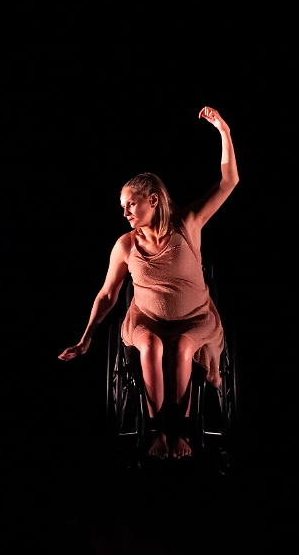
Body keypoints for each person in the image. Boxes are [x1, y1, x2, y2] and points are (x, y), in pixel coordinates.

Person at [58, 107, 239, 460]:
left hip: (194, 318)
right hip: (146, 320)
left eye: (131, 204)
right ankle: (157, 433)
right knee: (152, 345)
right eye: (123, 206)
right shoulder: (125, 245)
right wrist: (86, 338)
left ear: (153, 200)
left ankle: (180, 432)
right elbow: (108, 294)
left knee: (183, 346)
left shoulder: (188, 224)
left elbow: (228, 182)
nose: (125, 212)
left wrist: (223, 131)